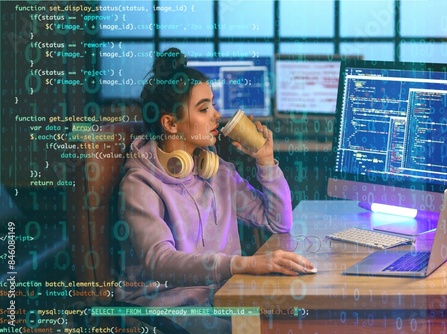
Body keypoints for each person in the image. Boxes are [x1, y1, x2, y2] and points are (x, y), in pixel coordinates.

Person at [115, 48, 316, 332]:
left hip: (218, 299)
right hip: (164, 311)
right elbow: (158, 261)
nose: (217, 115)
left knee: (295, 321)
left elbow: (278, 222)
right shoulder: (139, 183)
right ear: (170, 123)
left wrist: (265, 160)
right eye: (204, 108)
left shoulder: (216, 170)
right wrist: (241, 264)